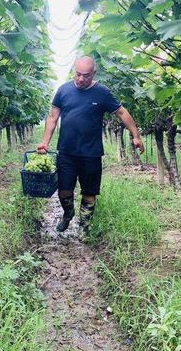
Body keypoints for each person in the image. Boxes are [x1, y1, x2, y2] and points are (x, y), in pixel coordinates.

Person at [37, 56, 143, 237]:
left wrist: (136, 135)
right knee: (64, 190)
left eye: (86, 76)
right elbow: (53, 116)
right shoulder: (63, 90)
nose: (80, 79)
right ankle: (68, 213)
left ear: (93, 74)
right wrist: (45, 142)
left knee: (89, 192)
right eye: (78, 74)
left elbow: (121, 112)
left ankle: (83, 227)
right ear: (74, 71)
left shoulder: (102, 93)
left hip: (91, 153)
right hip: (66, 152)